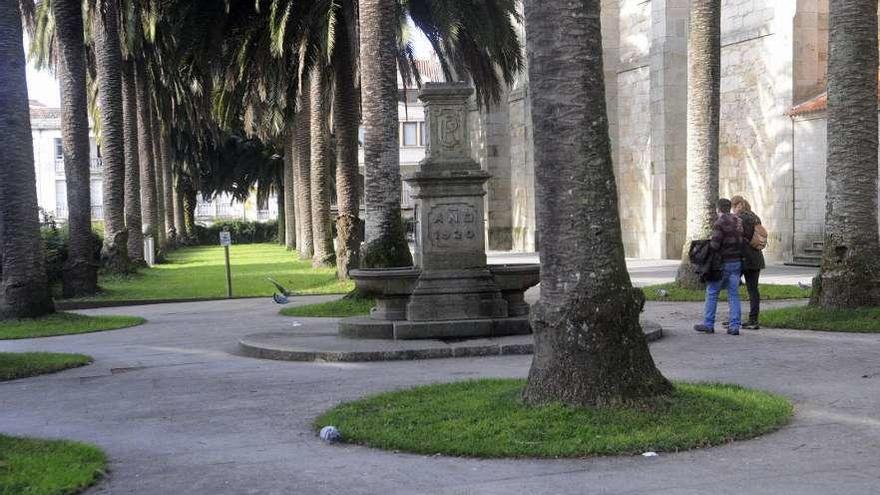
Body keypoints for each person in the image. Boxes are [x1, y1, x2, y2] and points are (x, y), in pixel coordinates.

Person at [694, 198, 744, 335]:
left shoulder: (719, 223)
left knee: (712, 292)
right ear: (729, 208)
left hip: (722, 264)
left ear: (718, 209)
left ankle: (708, 323)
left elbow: (715, 245)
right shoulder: (738, 221)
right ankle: (734, 326)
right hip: (737, 263)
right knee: (733, 295)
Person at [731, 195, 765, 329]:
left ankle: (735, 318)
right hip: (756, 258)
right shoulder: (755, 217)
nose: (733, 210)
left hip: (743, 258)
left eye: (734, 206)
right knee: (753, 290)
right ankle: (753, 319)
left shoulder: (740, 219)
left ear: (739, 205)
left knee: (732, 288)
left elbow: (737, 239)